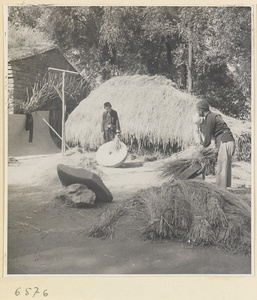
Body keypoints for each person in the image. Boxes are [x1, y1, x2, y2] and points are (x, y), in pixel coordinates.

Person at [196, 99, 235, 189]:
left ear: (201, 110)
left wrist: (200, 150)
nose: (197, 113)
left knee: (221, 167)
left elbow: (207, 140)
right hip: (229, 141)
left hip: (224, 141)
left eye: (197, 110)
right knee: (224, 167)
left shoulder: (209, 118)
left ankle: (221, 191)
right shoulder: (213, 116)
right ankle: (223, 189)